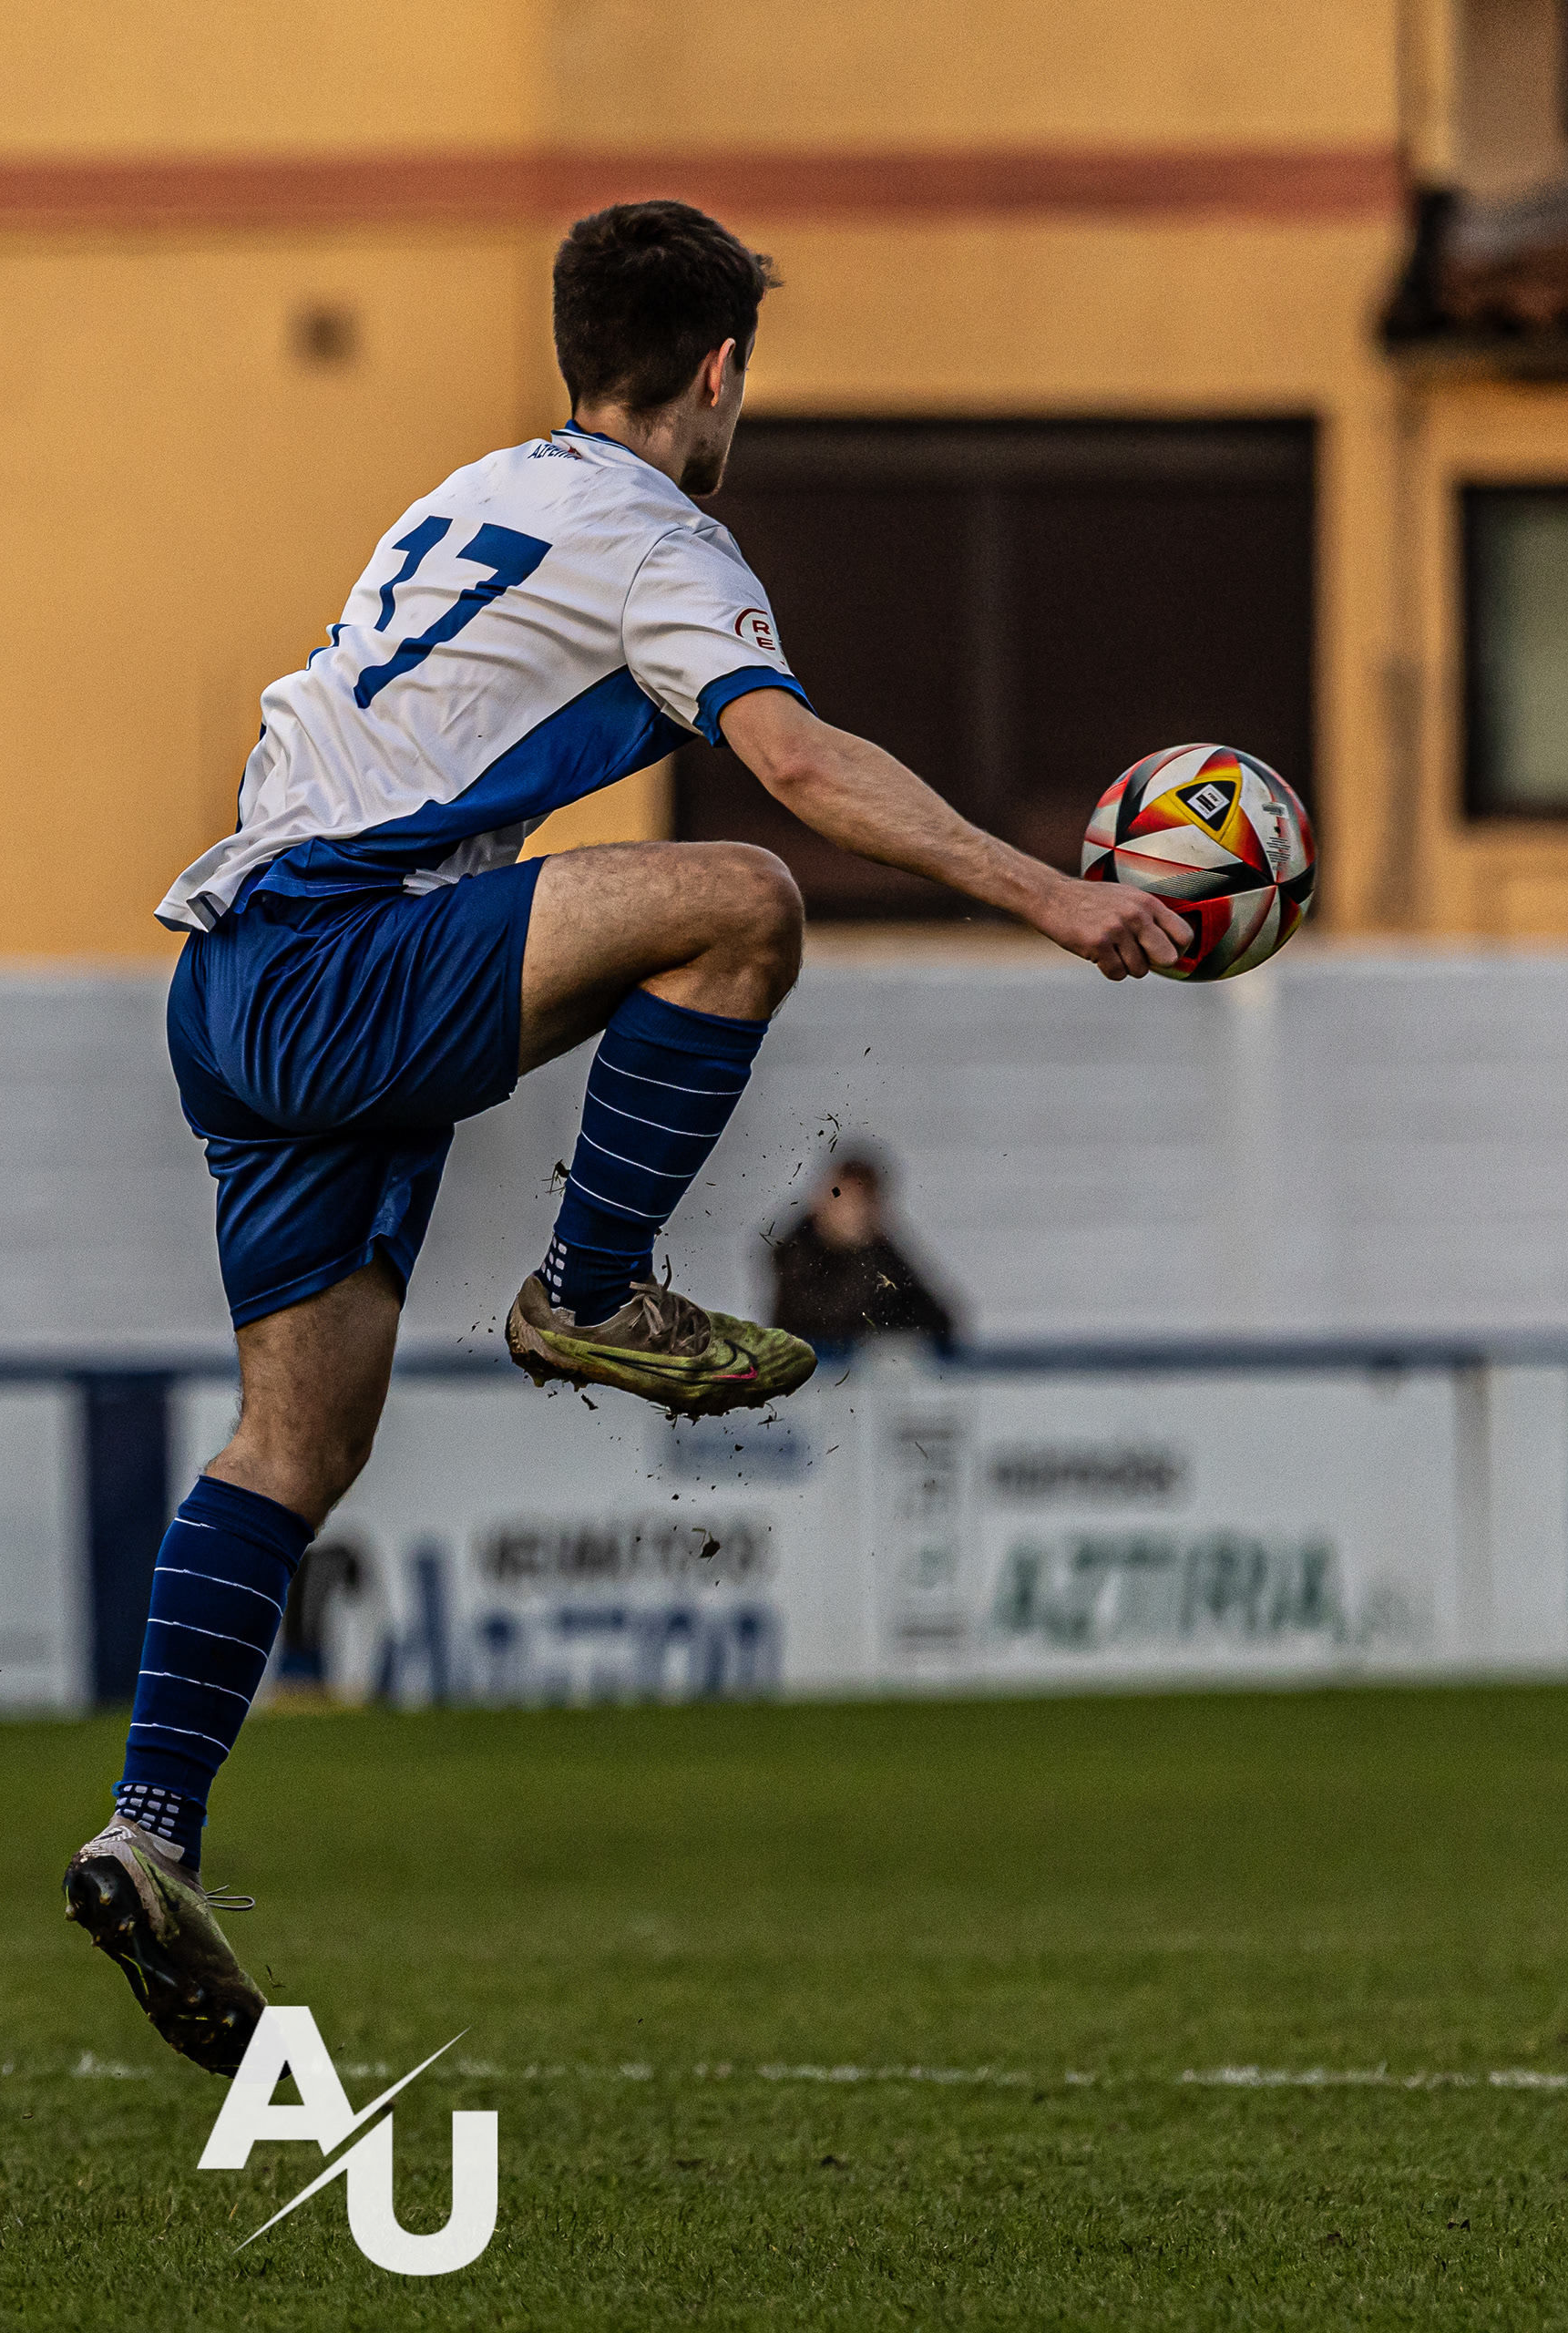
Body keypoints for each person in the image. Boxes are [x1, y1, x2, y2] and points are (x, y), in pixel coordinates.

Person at [64, 199, 1188, 2074]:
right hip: (345, 957)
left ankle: (147, 1829)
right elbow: (798, 766)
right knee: (744, 901)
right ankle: (592, 1287)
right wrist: (1054, 896)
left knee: (295, 1442)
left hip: (233, 982)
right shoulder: (662, 537)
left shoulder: (473, 491)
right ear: (721, 370)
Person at [766, 1147, 958, 1353]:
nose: (853, 1213)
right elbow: (828, 1319)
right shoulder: (797, 1254)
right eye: (846, 1202)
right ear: (824, 1202)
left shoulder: (882, 1254)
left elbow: (937, 1318)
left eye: (863, 1203)